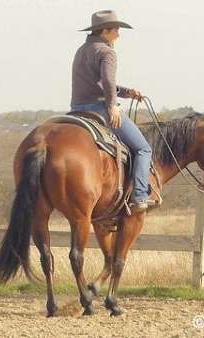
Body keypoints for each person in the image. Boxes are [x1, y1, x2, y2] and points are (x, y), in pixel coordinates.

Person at [70, 10, 154, 212]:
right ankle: (139, 196)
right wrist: (113, 106)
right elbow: (107, 81)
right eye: (116, 29)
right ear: (105, 30)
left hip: (76, 110)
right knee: (143, 149)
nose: (118, 33)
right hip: (100, 110)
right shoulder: (107, 52)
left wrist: (126, 92)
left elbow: (97, 83)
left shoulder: (82, 50)